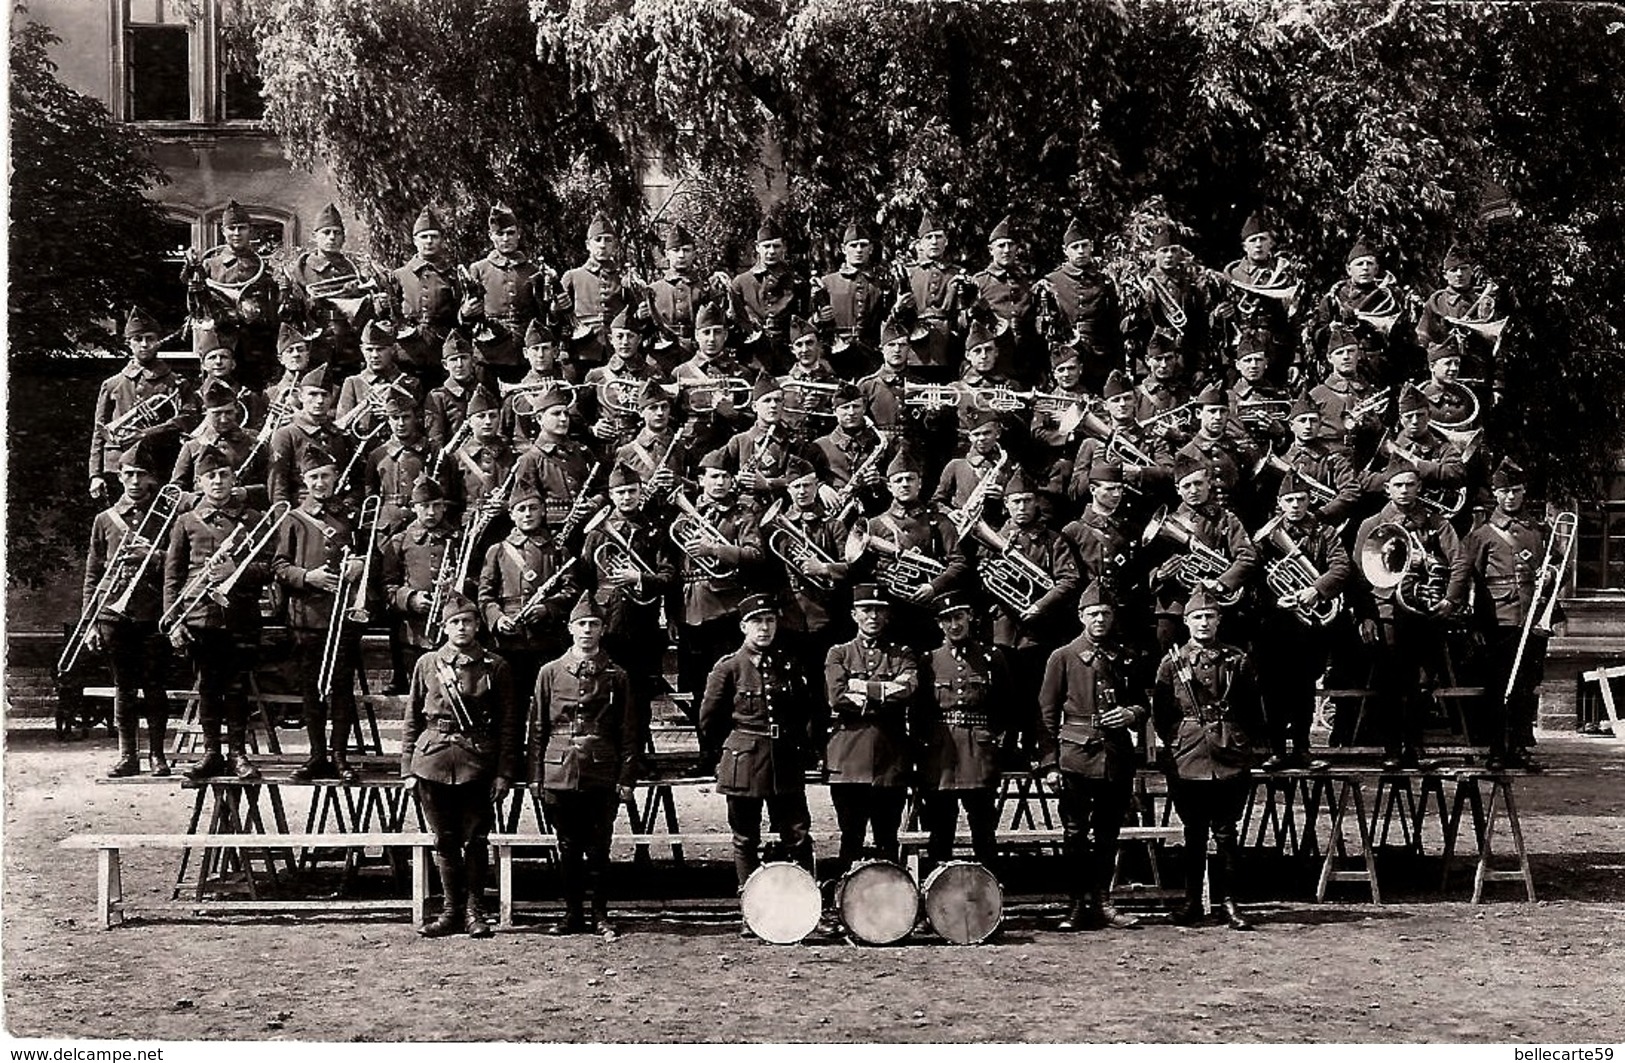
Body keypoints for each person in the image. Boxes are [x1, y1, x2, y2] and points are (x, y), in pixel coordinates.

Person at [401, 590, 521, 938]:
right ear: (444, 627)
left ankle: (475, 913)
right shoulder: (427, 664)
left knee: (476, 839)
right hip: (432, 760)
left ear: (477, 625)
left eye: (467, 621)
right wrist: (408, 768)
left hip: (477, 761)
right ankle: (451, 911)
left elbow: (509, 724)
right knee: (444, 840)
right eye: (454, 622)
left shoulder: (496, 666)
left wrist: (504, 772)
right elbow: (412, 719)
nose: (461, 628)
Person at [699, 593, 819, 936]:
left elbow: (802, 710)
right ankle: (750, 912)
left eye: (769, 621)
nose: (764, 628)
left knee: (797, 833)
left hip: (785, 759)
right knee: (745, 838)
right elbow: (709, 720)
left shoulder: (788, 663)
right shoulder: (728, 667)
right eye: (756, 622)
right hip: (744, 759)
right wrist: (731, 748)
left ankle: (806, 909)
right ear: (743, 627)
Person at [1036, 582, 1151, 930]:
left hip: (1115, 756)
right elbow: (1045, 713)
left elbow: (1143, 704)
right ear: (1080, 616)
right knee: (1074, 833)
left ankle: (1103, 902)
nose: (1100, 619)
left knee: (1107, 833)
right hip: (1074, 757)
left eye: (1105, 613)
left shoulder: (1126, 656)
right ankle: (1075, 904)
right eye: (1093, 614)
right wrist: (1050, 764)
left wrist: (1131, 714)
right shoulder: (1063, 657)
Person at [1153, 587, 1265, 930]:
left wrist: (1242, 743)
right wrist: (1178, 741)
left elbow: (1251, 710)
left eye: (1210, 617)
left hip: (1229, 753)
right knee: (1194, 831)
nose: (1204, 623)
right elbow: (1161, 713)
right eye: (1197, 617)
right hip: (1188, 755)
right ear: (1186, 622)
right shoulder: (1172, 662)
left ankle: (1228, 902)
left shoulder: (1237, 660)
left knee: (1227, 831)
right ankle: (1191, 902)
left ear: (1219, 620)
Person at [530, 592, 638, 937]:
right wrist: (537, 778)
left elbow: (628, 730)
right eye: (581, 625)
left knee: (599, 845)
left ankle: (600, 914)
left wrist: (626, 778)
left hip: (601, 770)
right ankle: (572, 913)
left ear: (603, 629)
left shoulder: (617, 675)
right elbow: (537, 729)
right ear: (570, 629)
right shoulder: (549, 673)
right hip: (558, 768)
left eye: (594, 624)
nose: (587, 631)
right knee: (567, 845)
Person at [163, 446, 274, 781]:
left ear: (234, 477)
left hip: (240, 615)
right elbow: (173, 573)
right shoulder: (186, 522)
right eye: (210, 476)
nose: (218, 481)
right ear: (199, 482)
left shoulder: (253, 519)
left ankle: (238, 753)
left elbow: (269, 567)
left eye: (224, 474)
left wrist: (235, 569)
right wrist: (172, 620)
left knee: (239, 687)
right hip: (200, 617)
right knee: (208, 687)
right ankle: (212, 753)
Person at [1350, 464, 1468, 768]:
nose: (1404, 491)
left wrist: (1451, 600)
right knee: (1390, 683)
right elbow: (1359, 576)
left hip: (1424, 614)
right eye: (1398, 485)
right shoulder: (1372, 524)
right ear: (1387, 489)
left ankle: (1415, 747)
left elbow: (1459, 562)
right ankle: (1391, 749)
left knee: (1422, 682)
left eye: (1410, 485)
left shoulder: (1436, 523)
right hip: (1386, 612)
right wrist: (1365, 616)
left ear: (1419, 488)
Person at [1447, 459, 1555, 771]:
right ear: (1495, 494)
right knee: (1497, 685)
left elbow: (1558, 564)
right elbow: (1469, 580)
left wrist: (1549, 574)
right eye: (1504, 492)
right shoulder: (1482, 535)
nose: (1510, 497)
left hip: (1532, 617)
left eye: (1516, 491)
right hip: (1499, 617)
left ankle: (1520, 746)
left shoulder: (1538, 530)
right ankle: (1495, 748)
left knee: (1526, 685)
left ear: (1524, 492)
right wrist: (1476, 623)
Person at [272, 447, 367, 782]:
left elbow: (370, 554)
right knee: (312, 690)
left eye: (326, 475)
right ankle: (316, 755)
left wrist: (361, 564)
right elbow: (279, 565)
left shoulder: (350, 516)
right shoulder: (294, 518)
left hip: (342, 615)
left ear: (336, 477)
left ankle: (340, 757)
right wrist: (306, 577)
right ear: (304, 480)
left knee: (341, 689)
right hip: (307, 617)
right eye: (313, 476)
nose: (320, 482)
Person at [83, 441, 175, 777]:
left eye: (141, 475)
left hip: (152, 612)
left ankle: (157, 756)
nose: (135, 481)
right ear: (119, 477)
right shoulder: (105, 520)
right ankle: (127, 755)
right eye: (128, 475)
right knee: (124, 686)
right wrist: (90, 622)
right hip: (113, 613)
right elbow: (93, 573)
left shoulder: (165, 517)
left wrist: (154, 556)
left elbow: (176, 566)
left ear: (151, 479)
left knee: (154, 685)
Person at [1253, 471, 1350, 771]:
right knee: (1272, 688)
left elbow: (1342, 567)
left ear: (1310, 501)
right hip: (1274, 624)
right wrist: (1273, 601)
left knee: (1303, 688)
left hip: (1309, 626)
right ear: (1279, 502)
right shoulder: (1265, 537)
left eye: (1301, 499)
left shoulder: (1325, 532)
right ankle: (1276, 749)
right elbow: (1255, 574)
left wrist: (1316, 589)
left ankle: (1303, 748)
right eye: (1289, 500)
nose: (1295, 505)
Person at [823, 584, 918, 882]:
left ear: (887, 615)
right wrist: (886, 690)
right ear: (854, 615)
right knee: (850, 838)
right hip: (849, 762)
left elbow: (908, 691)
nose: (873, 616)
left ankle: (890, 910)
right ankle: (845, 905)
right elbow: (837, 697)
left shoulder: (903, 652)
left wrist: (860, 687)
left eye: (879, 610)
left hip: (890, 761)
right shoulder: (838, 653)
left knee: (887, 839)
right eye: (866, 610)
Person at [915, 590, 1010, 873]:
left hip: (979, 752)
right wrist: (925, 746)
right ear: (938, 623)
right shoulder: (928, 661)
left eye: (958, 617)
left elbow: (1006, 705)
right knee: (940, 828)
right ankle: (935, 895)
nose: (954, 625)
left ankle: (991, 895)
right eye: (946, 619)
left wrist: (994, 739)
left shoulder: (992, 658)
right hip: (941, 754)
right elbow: (919, 711)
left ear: (970, 617)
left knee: (983, 829)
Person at [477, 484, 579, 703]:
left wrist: (548, 608)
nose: (528, 514)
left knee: (548, 701)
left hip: (547, 639)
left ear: (543, 511)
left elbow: (571, 590)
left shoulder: (558, 550)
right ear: (512, 515)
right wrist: (498, 618)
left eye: (533, 508)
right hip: (509, 640)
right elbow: (485, 595)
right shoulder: (498, 551)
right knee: (510, 704)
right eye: (521, 509)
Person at [89, 307, 190, 502]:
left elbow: (186, 420)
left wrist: (147, 433)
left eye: (150, 338)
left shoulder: (176, 383)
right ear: (128, 343)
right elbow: (99, 432)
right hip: (119, 466)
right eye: (138, 339)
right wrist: (95, 474)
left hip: (160, 461)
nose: (144, 344)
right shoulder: (112, 384)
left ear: (158, 341)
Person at [461, 202, 544, 380]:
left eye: (510, 233)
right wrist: (466, 312)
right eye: (500, 234)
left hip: (523, 349)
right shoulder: (479, 269)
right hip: (490, 349)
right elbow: (465, 312)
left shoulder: (532, 270)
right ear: (491, 236)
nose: (505, 238)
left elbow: (541, 312)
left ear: (519, 234)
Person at [1038, 217, 1121, 394]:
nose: (1081, 251)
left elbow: (1115, 327)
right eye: (1075, 247)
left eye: (1084, 246)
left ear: (1091, 246)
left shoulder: (1104, 281)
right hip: (1065, 360)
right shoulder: (1052, 281)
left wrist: (1118, 365)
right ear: (1065, 251)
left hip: (1099, 359)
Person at [281, 202, 365, 373]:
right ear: (314, 236)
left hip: (349, 341)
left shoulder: (355, 268)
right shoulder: (301, 269)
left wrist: (357, 295)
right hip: (316, 342)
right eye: (326, 233)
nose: (332, 238)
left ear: (344, 238)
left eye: (337, 233)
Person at [556, 212, 635, 384]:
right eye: (597, 240)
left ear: (615, 244)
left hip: (616, 350)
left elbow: (635, 317)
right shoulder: (573, 276)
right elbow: (559, 318)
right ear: (588, 245)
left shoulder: (624, 277)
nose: (602, 245)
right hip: (582, 351)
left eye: (608, 240)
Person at [729, 216, 807, 374]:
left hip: (788, 353)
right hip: (753, 355)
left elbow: (804, 317)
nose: (772, 251)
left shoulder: (797, 282)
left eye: (776, 246)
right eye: (767, 246)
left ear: (784, 247)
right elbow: (736, 319)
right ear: (757, 247)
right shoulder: (741, 283)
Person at [387, 205, 459, 373]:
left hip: (441, 347)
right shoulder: (399, 275)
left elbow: (460, 314)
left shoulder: (453, 276)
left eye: (434, 236)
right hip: (408, 348)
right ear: (414, 240)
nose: (429, 241)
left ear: (441, 240)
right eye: (424, 237)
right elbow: (389, 313)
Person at [818, 218, 889, 378]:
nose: (858, 250)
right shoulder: (828, 282)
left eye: (863, 245)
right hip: (836, 354)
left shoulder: (880, 283)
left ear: (870, 249)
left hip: (871, 354)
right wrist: (819, 318)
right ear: (843, 249)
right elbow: (811, 323)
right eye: (853, 245)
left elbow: (888, 319)